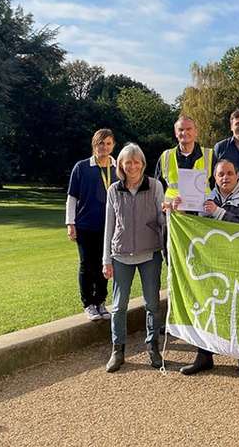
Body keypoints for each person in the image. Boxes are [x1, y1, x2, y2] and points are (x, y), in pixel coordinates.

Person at [178, 159, 239, 377]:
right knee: (208, 306)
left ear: (237, 175)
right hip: (211, 261)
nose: (225, 177)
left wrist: (219, 213)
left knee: (238, 308)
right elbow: (190, 225)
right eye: (221, 174)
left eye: (229, 173)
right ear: (215, 178)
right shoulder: (204, 198)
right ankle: (204, 355)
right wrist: (179, 210)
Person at [103, 143, 165, 373]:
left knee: (152, 303)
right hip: (120, 254)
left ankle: (152, 346)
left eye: (136, 161)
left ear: (142, 163)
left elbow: (163, 218)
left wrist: (171, 216)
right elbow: (109, 226)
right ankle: (117, 350)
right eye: (127, 162)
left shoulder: (155, 186)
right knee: (119, 306)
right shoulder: (114, 190)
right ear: (121, 165)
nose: (132, 166)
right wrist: (105, 259)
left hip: (149, 253)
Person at [66, 128, 118, 321]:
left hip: (110, 226)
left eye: (108, 143)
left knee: (105, 264)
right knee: (87, 265)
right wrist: (70, 223)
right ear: (94, 145)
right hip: (86, 225)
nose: (104, 147)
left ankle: (101, 302)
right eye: (100, 143)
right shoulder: (81, 167)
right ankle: (88, 304)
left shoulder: (117, 168)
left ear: (113, 145)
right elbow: (72, 198)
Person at [155, 115, 214, 205]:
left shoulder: (210, 155)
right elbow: (158, 188)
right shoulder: (165, 156)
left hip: (202, 213)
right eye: (181, 130)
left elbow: (218, 186)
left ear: (196, 132)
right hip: (175, 214)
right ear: (175, 133)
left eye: (189, 129)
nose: (184, 132)